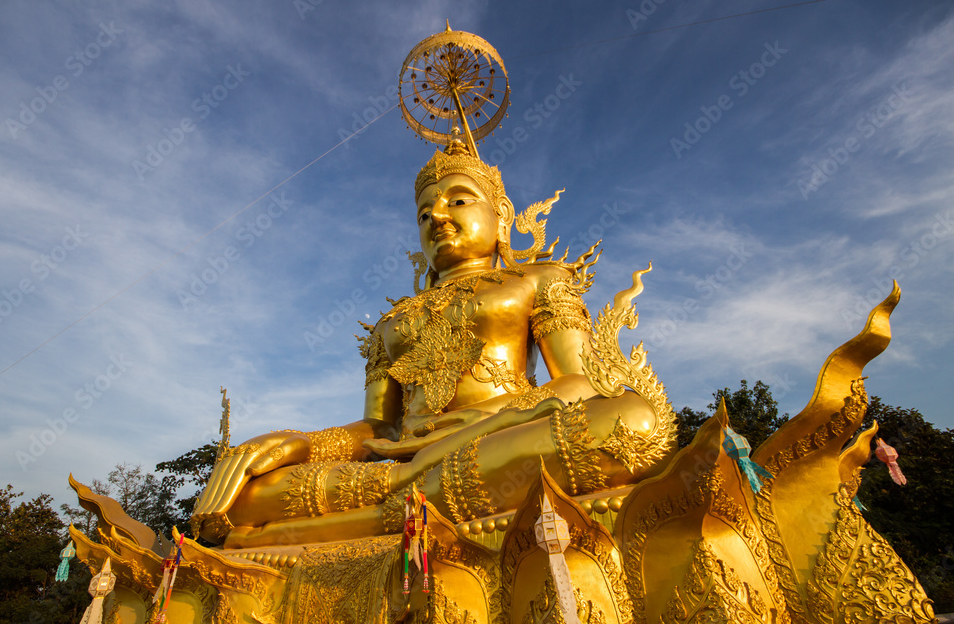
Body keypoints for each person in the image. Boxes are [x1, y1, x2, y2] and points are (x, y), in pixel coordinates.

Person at [191, 136, 674, 548]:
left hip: (498, 436)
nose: (438, 217)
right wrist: (305, 443)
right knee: (252, 492)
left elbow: (583, 385)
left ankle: (396, 499)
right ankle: (408, 494)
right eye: (424, 213)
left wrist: (474, 423)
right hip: (403, 460)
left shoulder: (538, 281)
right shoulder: (392, 323)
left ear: (501, 214)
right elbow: (377, 428)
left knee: (632, 423)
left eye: (458, 201)